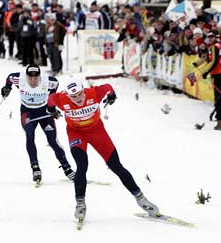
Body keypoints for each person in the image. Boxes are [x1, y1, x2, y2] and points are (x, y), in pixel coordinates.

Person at [47, 77, 159, 221]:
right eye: (73, 96)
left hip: (97, 132)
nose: (78, 99)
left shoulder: (94, 93)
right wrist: (51, 110)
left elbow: (108, 87)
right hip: (76, 133)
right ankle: (80, 204)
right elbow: (50, 100)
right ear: (67, 95)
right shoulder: (61, 99)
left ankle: (142, 200)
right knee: (82, 165)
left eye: (80, 94)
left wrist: (112, 97)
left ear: (83, 90)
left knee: (116, 166)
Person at [0, 64, 75, 184]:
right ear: (26, 76)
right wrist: (6, 88)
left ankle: (67, 168)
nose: (33, 81)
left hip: (44, 112)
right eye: (30, 78)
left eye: (36, 78)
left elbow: (54, 93)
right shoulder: (19, 78)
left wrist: (53, 109)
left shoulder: (50, 81)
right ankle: (35, 168)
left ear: (40, 76)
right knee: (30, 136)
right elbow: (9, 78)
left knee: (52, 141)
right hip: (27, 112)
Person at [190, 31, 221, 130]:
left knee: (219, 98)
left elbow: (213, 61)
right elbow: (208, 58)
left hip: (220, 74)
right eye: (208, 37)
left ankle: (220, 121)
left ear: (216, 37)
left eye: (211, 37)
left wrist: (206, 72)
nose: (209, 39)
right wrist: (197, 64)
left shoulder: (214, 47)